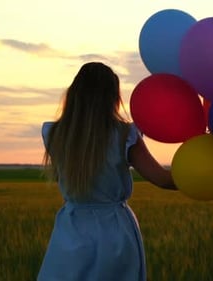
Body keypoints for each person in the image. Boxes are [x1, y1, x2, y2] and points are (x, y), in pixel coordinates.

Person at [37, 62, 176, 281]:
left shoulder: (54, 134)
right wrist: (210, 178)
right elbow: (162, 179)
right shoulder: (123, 135)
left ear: (75, 93)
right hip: (114, 233)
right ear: (111, 97)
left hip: (70, 230)